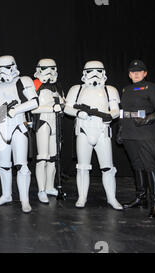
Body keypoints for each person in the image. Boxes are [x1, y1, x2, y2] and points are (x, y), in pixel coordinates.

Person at [64, 60, 123, 210]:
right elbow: (67, 108)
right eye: (90, 71)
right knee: (82, 167)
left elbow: (115, 109)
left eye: (98, 71)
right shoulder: (76, 89)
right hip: (84, 130)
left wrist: (110, 115)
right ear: (84, 73)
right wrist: (79, 113)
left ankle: (111, 198)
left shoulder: (110, 90)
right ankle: (82, 197)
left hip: (102, 131)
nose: (94, 75)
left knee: (108, 168)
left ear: (103, 72)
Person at [0, 55, 39, 213]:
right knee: (3, 165)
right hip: (0, 128)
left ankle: (24, 200)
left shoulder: (24, 81)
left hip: (18, 126)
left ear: (13, 67)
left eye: (6, 68)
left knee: (21, 165)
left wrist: (15, 110)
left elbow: (35, 101)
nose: (2, 72)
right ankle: (6, 195)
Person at [118, 60, 155, 218]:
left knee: (151, 166)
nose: (136, 73)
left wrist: (148, 119)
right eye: (133, 71)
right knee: (137, 165)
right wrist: (120, 130)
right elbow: (123, 112)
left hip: (146, 132)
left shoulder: (151, 87)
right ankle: (141, 198)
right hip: (129, 133)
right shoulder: (125, 89)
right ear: (129, 74)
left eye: (140, 71)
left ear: (145, 73)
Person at [31, 59, 65, 204]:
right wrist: (50, 108)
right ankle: (41, 190)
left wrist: (61, 105)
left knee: (53, 157)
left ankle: (50, 186)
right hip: (43, 122)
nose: (49, 72)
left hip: (55, 122)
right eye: (46, 68)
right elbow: (32, 107)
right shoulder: (35, 84)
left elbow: (63, 102)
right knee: (42, 157)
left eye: (52, 68)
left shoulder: (57, 85)